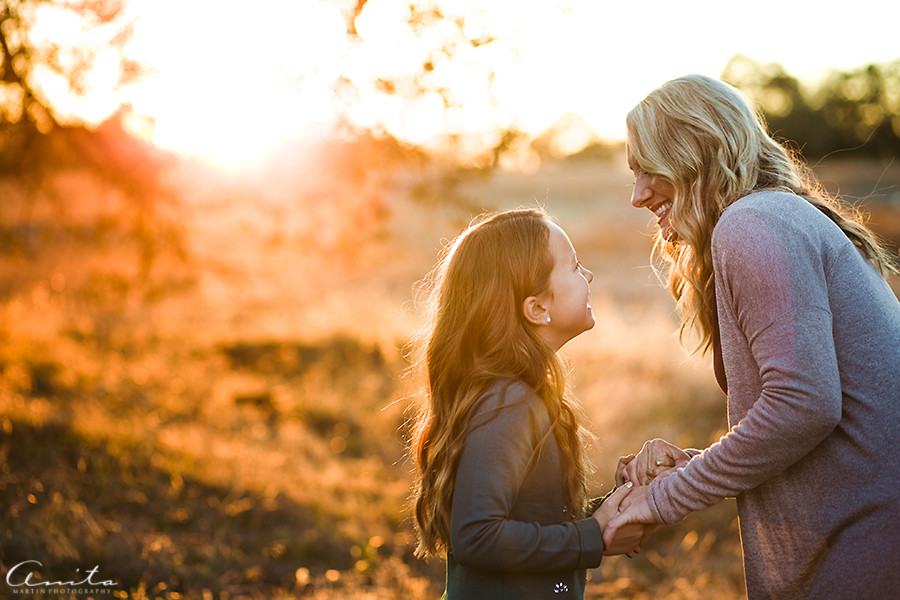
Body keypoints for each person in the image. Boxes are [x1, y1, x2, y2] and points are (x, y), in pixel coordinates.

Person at [603, 74, 900, 599]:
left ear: (696, 152)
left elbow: (803, 404)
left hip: (869, 546)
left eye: (648, 167)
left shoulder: (751, 223)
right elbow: (818, 426)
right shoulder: (774, 218)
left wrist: (664, 498)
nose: (637, 195)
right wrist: (694, 465)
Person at [408, 208, 647, 600]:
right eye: (574, 266)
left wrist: (612, 508)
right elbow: (477, 535)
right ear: (537, 308)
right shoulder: (509, 401)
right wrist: (592, 537)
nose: (588, 276)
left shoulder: (521, 394)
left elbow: (532, 518)